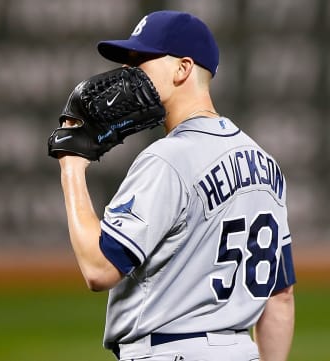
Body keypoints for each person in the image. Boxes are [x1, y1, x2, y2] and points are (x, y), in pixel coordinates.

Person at [56, 10, 295, 361]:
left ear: (182, 69)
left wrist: (72, 167)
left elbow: (99, 268)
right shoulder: (266, 165)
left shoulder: (167, 160)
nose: (128, 73)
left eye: (142, 60)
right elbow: (281, 295)